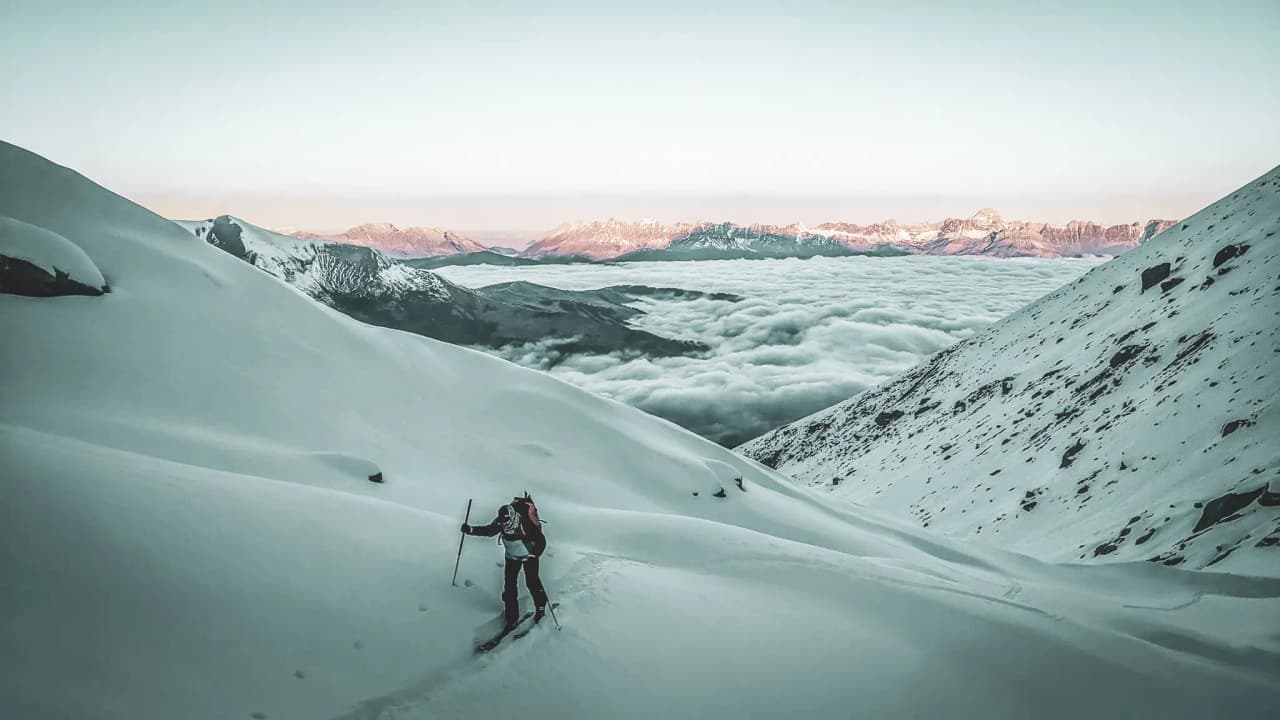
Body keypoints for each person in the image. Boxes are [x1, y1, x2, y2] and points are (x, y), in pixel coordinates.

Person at [462, 493, 549, 630]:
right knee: (509, 587)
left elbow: (541, 541)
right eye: (502, 523)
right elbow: (489, 531)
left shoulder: (525, 523)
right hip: (512, 555)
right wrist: (471, 530)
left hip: (529, 554)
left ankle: (541, 606)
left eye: (506, 523)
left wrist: (534, 555)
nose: (504, 525)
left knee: (532, 581)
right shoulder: (501, 521)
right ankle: (512, 617)